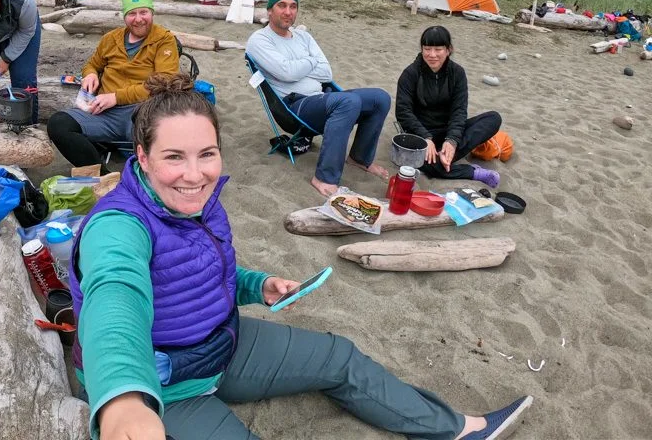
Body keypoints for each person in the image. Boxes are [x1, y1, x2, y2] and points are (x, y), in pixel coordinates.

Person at [68, 73, 533, 440]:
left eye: (206, 153)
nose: (194, 174)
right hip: (162, 383)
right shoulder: (118, 225)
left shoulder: (197, 199)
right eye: (174, 157)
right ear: (142, 158)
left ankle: (452, 429)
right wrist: (124, 396)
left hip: (220, 345)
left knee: (339, 357)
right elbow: (115, 302)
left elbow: (188, 272)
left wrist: (254, 284)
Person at [245, 0, 390, 197]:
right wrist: (311, 62)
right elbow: (286, 72)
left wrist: (300, 68)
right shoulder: (260, 40)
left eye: (293, 6)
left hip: (322, 98)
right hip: (293, 108)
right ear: (269, 10)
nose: (288, 12)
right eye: (282, 6)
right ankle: (324, 177)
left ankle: (359, 158)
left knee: (380, 98)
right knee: (348, 102)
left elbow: (326, 71)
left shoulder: (303, 37)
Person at [47, 0, 179, 169]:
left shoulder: (164, 40)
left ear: (152, 13)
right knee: (58, 124)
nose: (138, 18)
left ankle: (147, 177)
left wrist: (116, 97)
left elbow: (164, 84)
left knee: (154, 132)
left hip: (143, 109)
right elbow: (92, 64)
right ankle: (104, 176)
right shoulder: (111, 39)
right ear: (124, 16)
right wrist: (91, 74)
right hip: (104, 112)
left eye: (143, 12)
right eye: (132, 13)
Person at [395, 26, 503, 187]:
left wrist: (451, 140)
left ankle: (446, 155)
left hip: (448, 132)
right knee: (416, 163)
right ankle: (472, 172)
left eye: (438, 49)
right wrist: (426, 137)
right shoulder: (410, 73)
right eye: (427, 49)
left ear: (448, 50)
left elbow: (459, 111)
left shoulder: (457, 73)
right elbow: (403, 112)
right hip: (421, 135)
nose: (432, 55)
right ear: (422, 49)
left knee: (494, 118)